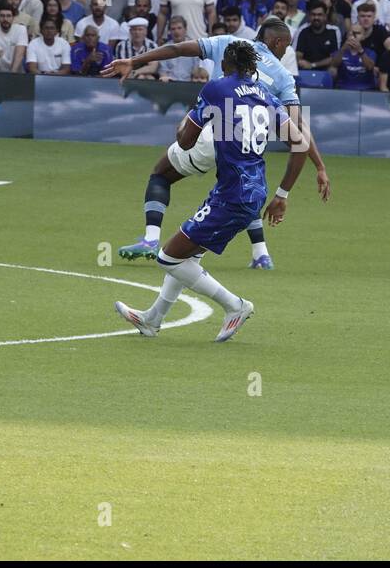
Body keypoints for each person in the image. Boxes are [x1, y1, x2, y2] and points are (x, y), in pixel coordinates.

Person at [113, 40, 308, 342]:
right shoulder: (266, 95)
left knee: (167, 258)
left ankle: (235, 306)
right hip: (252, 190)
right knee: (189, 257)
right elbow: (300, 144)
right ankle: (152, 319)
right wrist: (282, 195)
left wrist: (189, 119)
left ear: (226, 65)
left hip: (232, 195)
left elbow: (185, 141)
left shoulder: (217, 88)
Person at [102, 18, 331, 269]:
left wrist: (135, 61)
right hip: (248, 143)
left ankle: (150, 239)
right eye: (286, 46)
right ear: (276, 42)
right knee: (243, 187)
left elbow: (177, 49)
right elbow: (299, 131)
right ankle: (260, 254)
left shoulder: (227, 43)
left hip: (213, 133)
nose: (286, 51)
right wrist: (318, 166)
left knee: (160, 175)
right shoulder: (284, 77)